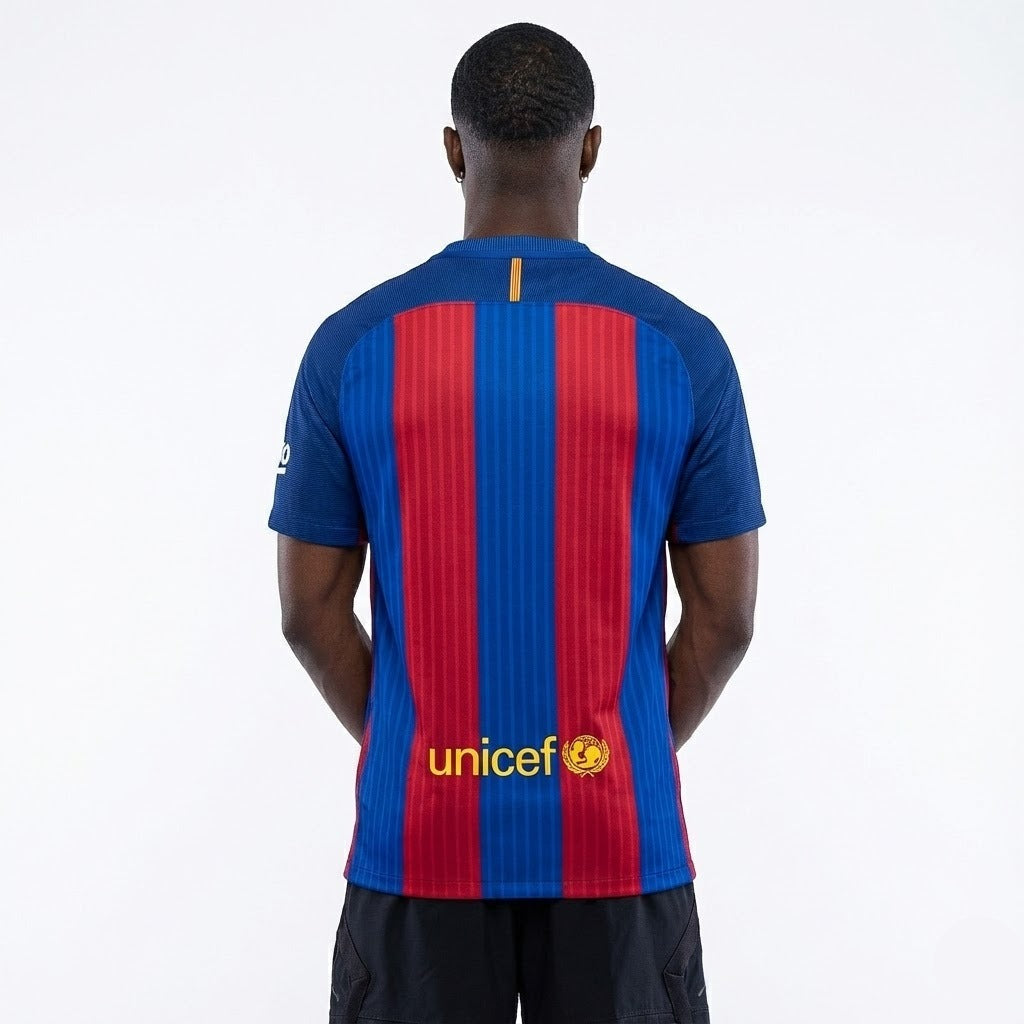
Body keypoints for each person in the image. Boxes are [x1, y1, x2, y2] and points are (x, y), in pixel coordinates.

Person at [268, 21, 764, 1024]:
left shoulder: (353, 345)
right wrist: (609, 752)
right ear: (591, 149)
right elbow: (724, 621)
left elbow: (308, 613)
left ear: (454, 150)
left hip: (420, 843)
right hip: (617, 844)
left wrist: (428, 746)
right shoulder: (680, 348)